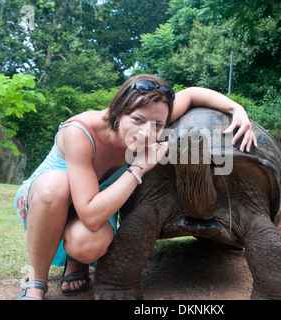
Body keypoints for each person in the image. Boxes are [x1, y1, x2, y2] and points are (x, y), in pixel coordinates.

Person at [14, 74, 258, 300]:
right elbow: (89, 215)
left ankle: (77, 260)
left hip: (96, 205)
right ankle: (36, 281)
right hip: (47, 201)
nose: (145, 132)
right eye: (137, 120)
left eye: (157, 125)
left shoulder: (153, 116)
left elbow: (193, 93)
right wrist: (140, 167)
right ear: (119, 111)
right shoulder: (80, 132)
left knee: (88, 244)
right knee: (55, 185)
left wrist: (238, 109)